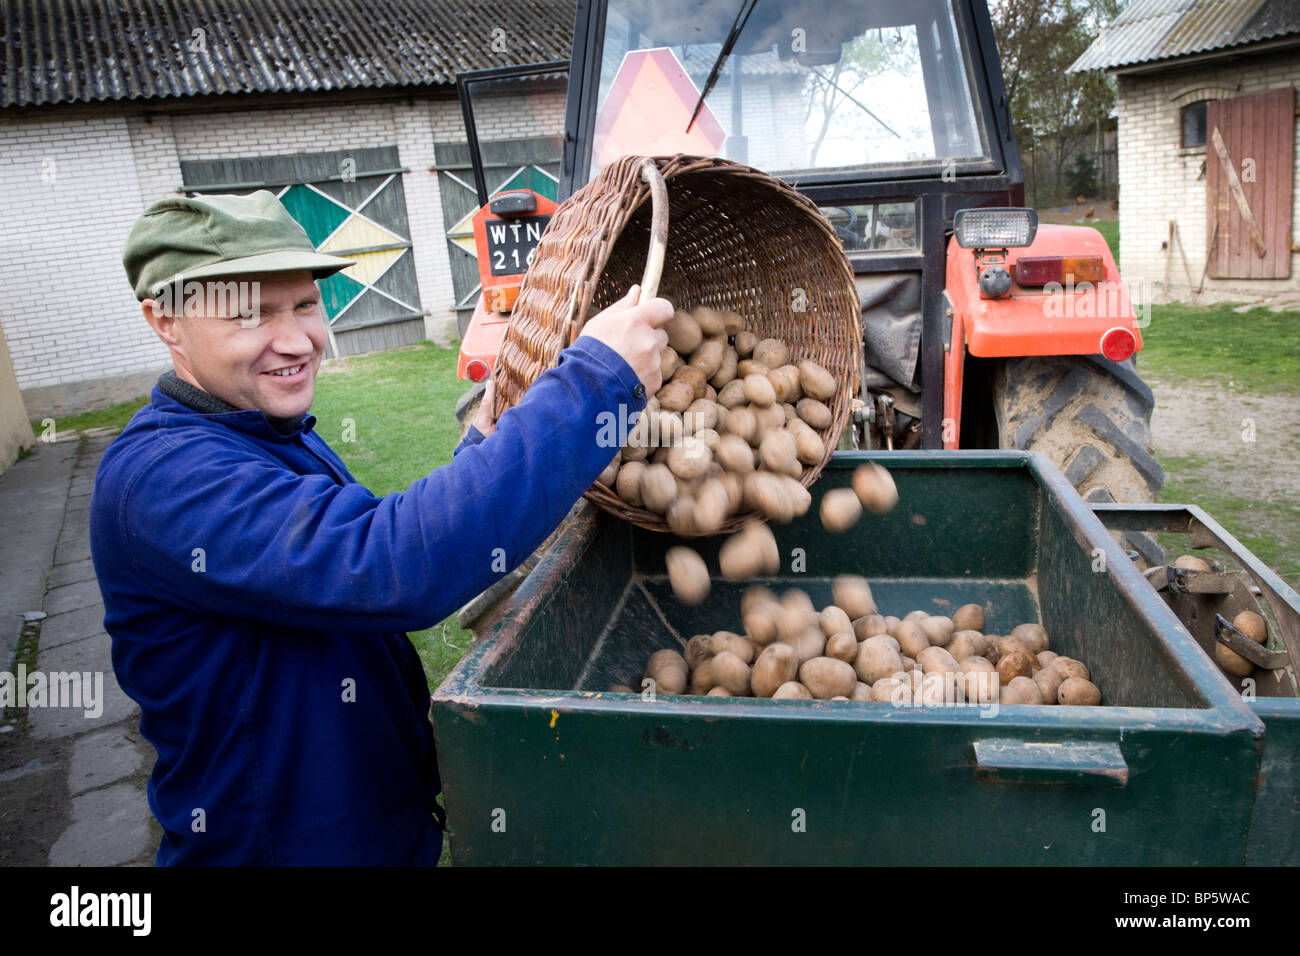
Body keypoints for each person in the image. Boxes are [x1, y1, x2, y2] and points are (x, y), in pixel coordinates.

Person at [90, 190, 671, 865]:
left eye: (306, 305)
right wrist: (596, 383)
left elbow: (343, 550)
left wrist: (482, 453)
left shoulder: (263, 432)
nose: (295, 339)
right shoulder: (160, 480)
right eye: (250, 313)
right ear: (165, 322)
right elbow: (386, 564)